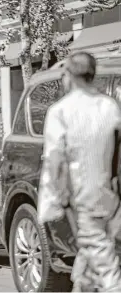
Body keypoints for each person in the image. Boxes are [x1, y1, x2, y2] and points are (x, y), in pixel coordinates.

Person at [37, 52, 121, 292]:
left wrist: (53, 202)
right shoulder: (110, 107)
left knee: (105, 264)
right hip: (111, 198)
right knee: (88, 259)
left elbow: (55, 159)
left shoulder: (61, 111)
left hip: (81, 198)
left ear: (68, 76)